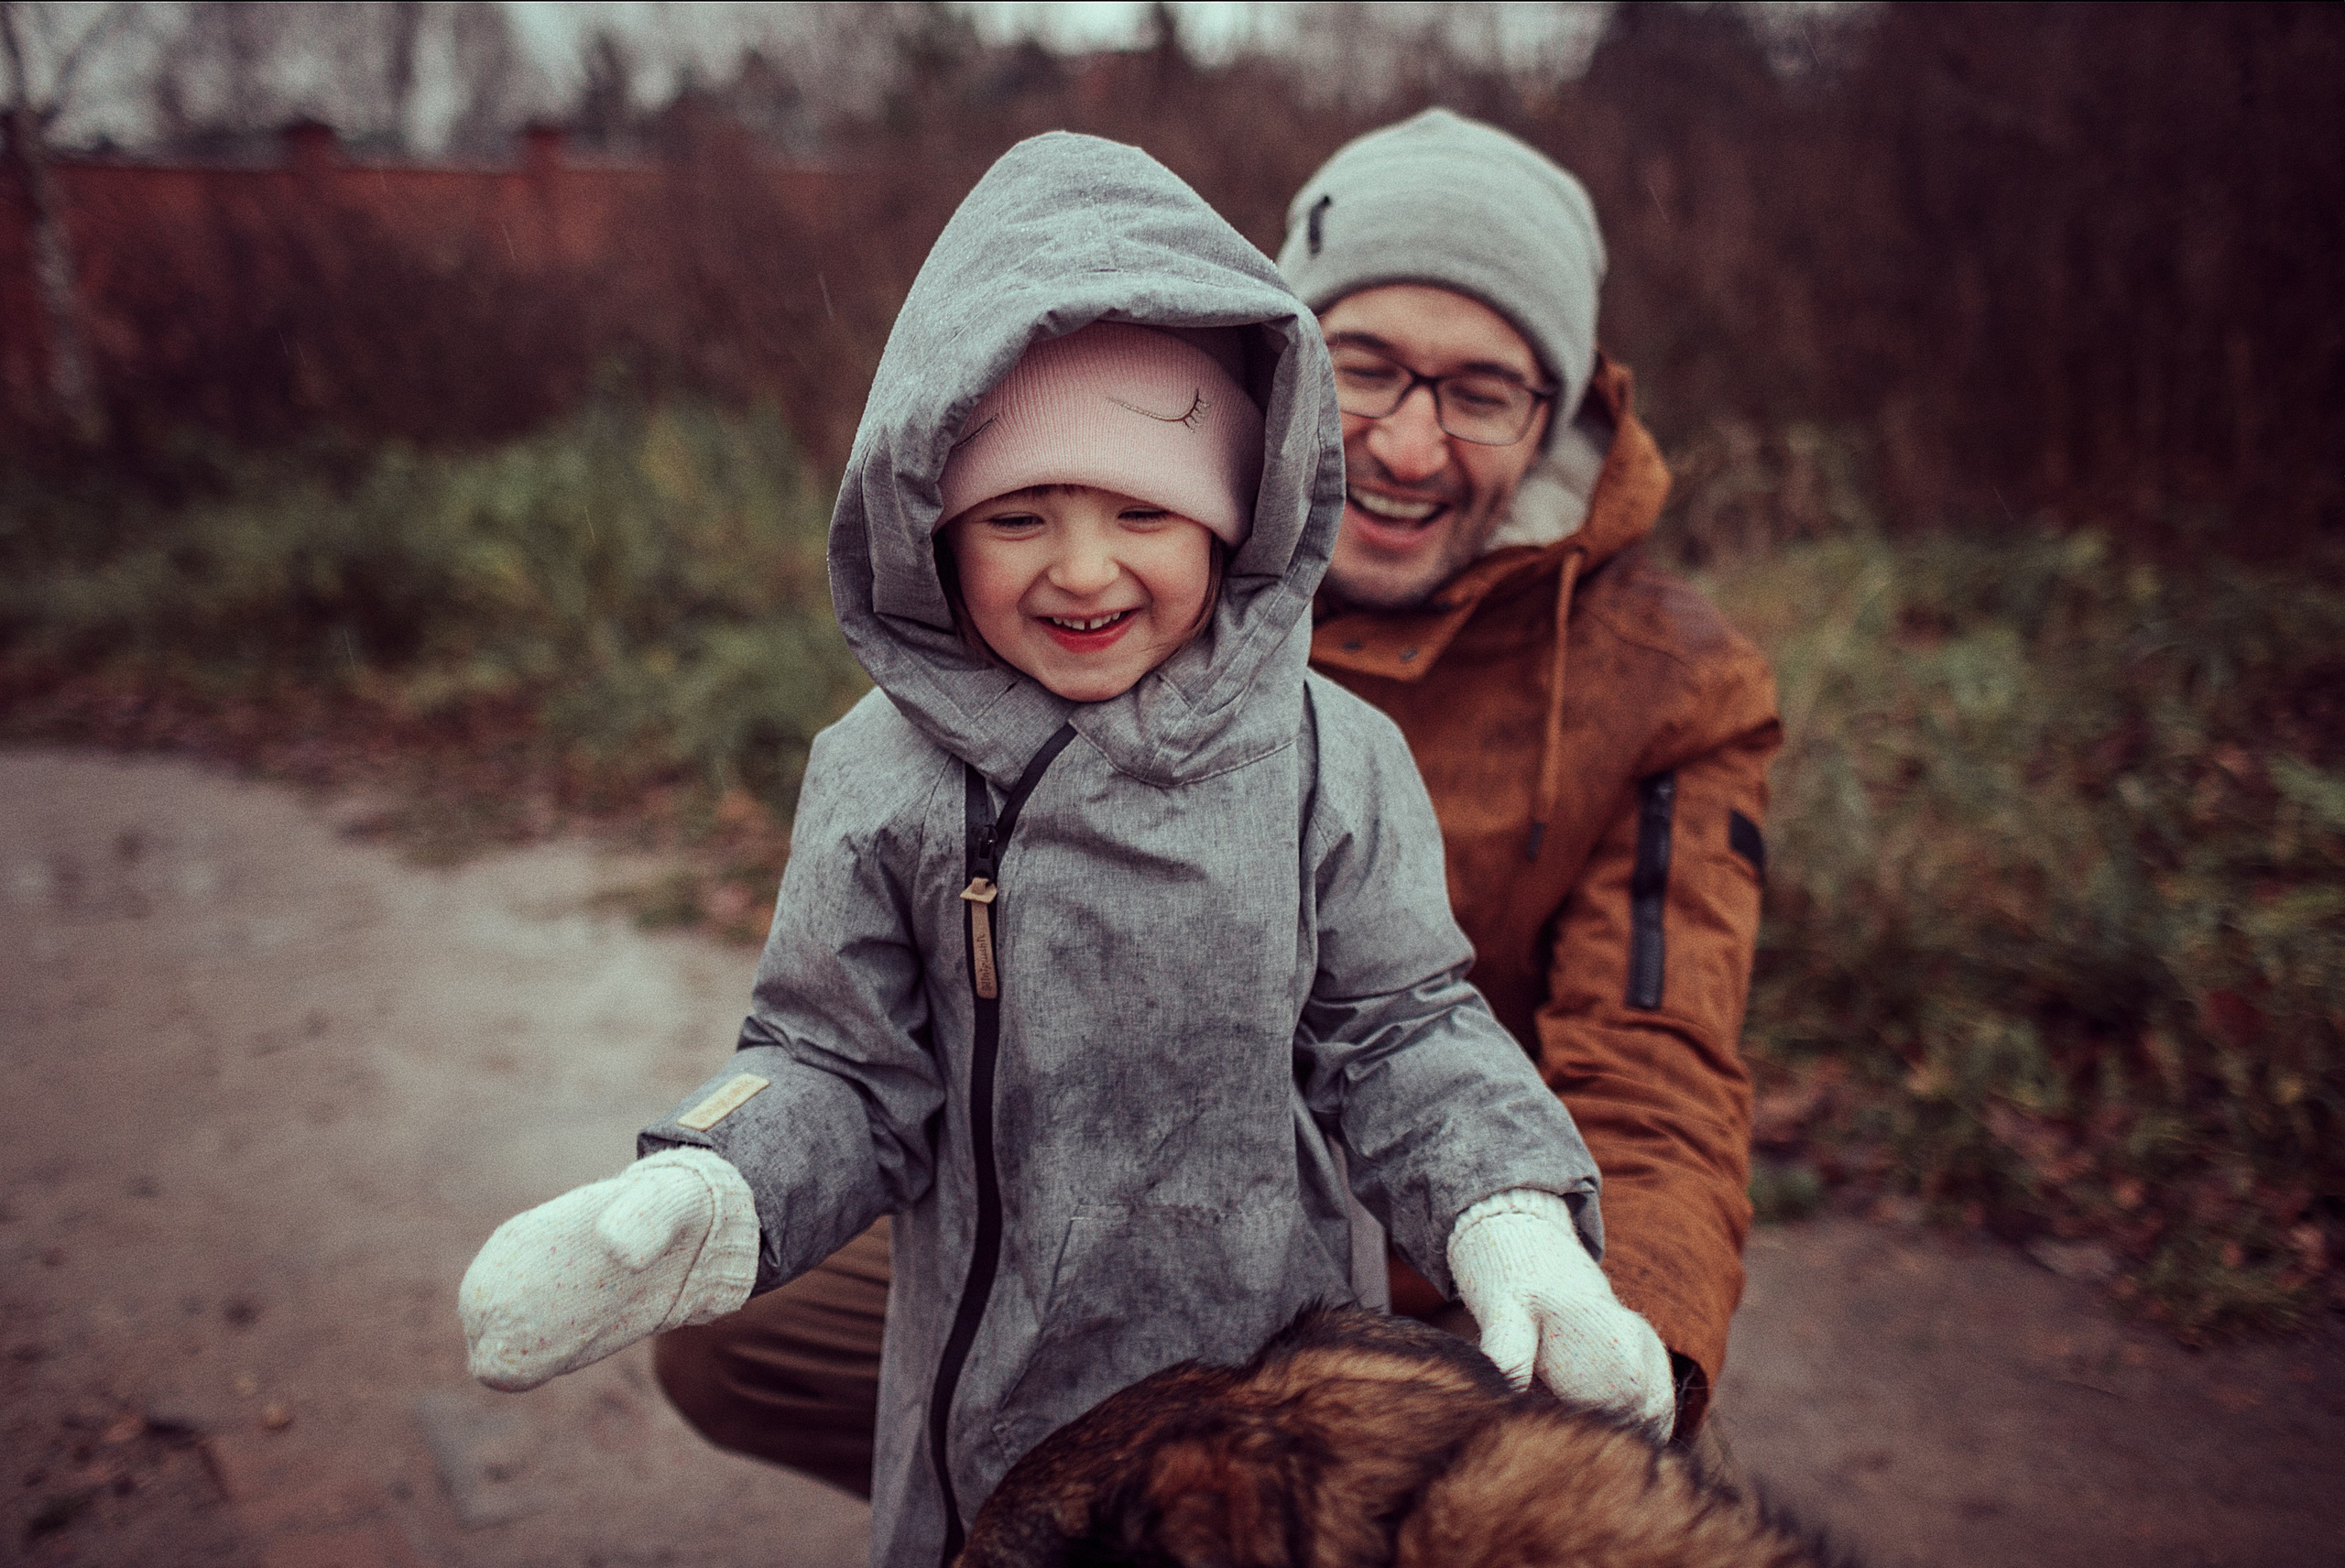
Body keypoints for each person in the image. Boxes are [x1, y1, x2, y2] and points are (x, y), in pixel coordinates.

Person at [456, 132, 1678, 1568]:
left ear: (1229, 524)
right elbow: (839, 1063)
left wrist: (1515, 1224)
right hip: (987, 1389)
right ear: (932, 531)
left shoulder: (1328, 761)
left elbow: (1403, 1028)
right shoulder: (881, 776)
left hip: (1274, 1387)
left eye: (1144, 513)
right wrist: (709, 1186)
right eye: (1019, 516)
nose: (1084, 569)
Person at [1282, 109, 1779, 1443]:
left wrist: (1632, 1346)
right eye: (1364, 367)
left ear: (1553, 415)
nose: (1405, 446)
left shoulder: (1677, 688)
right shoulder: (1147, 569)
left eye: (1480, 391)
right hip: (1124, 1234)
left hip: (1465, 1284)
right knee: (746, 1334)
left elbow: (1653, 1068)